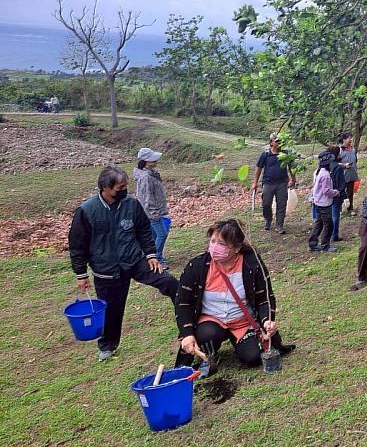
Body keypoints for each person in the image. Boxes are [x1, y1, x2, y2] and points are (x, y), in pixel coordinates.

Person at [68, 165, 179, 361]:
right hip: (106, 270)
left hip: (134, 260)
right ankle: (107, 346)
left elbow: (144, 230)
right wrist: (81, 274)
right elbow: (77, 245)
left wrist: (151, 255)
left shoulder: (132, 205)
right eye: (120, 187)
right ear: (105, 187)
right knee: (111, 310)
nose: (124, 190)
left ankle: (188, 320)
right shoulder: (87, 211)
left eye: (125, 186)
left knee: (169, 282)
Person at [174, 219, 295, 377]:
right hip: (211, 319)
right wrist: (187, 334)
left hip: (243, 321)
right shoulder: (197, 266)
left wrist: (267, 321)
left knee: (252, 357)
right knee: (207, 335)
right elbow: (183, 303)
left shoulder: (252, 263)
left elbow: (265, 297)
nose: (215, 247)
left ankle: (244, 341)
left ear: (237, 247)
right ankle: (210, 355)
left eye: (222, 244)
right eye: (212, 241)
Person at [251, 132, 296, 234]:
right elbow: (258, 168)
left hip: (282, 183)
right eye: (277, 141)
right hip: (268, 183)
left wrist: (293, 179)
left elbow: (291, 167)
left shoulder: (285, 154)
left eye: (280, 141)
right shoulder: (265, 154)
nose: (279, 143)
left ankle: (279, 225)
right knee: (266, 204)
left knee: (282, 204)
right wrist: (255, 182)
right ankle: (268, 220)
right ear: (271, 142)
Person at [133, 147, 170, 269]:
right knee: (162, 234)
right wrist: (155, 214)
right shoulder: (146, 178)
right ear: (146, 162)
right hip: (152, 213)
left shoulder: (149, 174)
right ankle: (157, 259)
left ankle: (150, 257)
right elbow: (147, 198)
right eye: (152, 160)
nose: (155, 161)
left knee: (153, 236)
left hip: (151, 212)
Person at [309, 151, 340, 252]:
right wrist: (336, 192)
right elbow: (326, 191)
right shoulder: (325, 175)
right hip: (324, 203)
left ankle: (313, 243)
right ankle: (325, 244)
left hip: (317, 201)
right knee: (329, 224)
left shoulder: (317, 171)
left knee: (319, 223)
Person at [328, 144, 347, 241]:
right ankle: (334, 235)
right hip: (336, 194)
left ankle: (328, 233)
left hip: (328, 194)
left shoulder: (327, 166)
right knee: (335, 215)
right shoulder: (338, 168)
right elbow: (341, 183)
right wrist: (343, 195)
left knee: (329, 214)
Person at [339, 132, 359, 216]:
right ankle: (339, 209)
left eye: (351, 138)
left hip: (351, 174)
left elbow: (355, 161)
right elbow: (335, 163)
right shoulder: (340, 150)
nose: (351, 139)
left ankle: (350, 208)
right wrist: (344, 165)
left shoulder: (353, 149)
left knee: (350, 193)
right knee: (340, 192)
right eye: (349, 138)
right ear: (344, 140)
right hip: (342, 175)